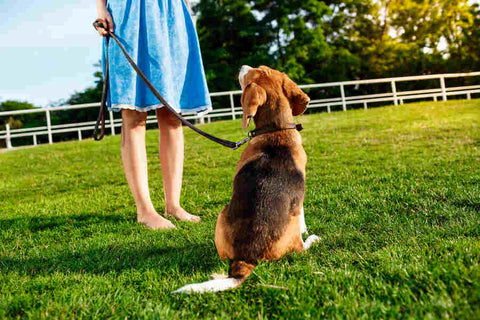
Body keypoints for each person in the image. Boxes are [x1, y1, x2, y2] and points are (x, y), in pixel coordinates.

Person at [95, 0, 212, 229]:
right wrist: (101, 9)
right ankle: (145, 210)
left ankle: (173, 205)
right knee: (134, 117)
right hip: (128, 14)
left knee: (171, 116)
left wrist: (186, 10)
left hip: (172, 13)